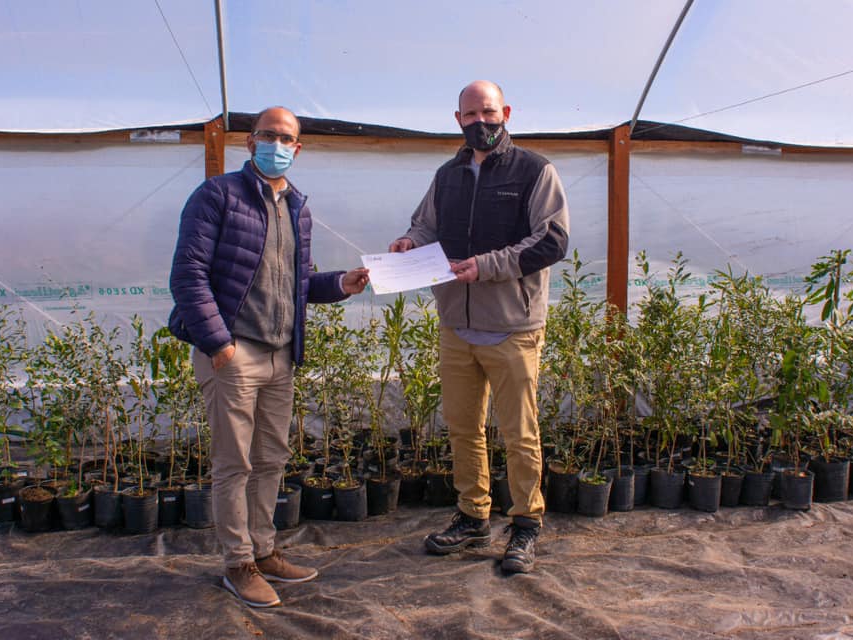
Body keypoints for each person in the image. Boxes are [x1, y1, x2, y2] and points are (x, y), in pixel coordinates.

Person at [168, 106, 369, 608]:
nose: (276, 145)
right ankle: (238, 563)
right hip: (234, 353)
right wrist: (219, 343)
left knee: (270, 459)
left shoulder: (297, 207)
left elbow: (299, 283)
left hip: (281, 355)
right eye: (268, 135)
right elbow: (188, 274)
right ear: (251, 141)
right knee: (234, 463)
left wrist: (341, 284)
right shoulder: (217, 196)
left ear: (298, 148)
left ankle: (263, 549)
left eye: (286, 138)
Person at [389, 80, 569, 574]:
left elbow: (551, 241)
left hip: (512, 327)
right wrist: (409, 242)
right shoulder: (447, 175)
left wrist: (486, 266)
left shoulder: (535, 171)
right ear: (458, 119)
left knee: (519, 432)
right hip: (457, 324)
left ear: (505, 112)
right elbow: (426, 225)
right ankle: (473, 516)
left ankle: (526, 523)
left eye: (488, 112)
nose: (480, 122)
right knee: (464, 428)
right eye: (470, 115)